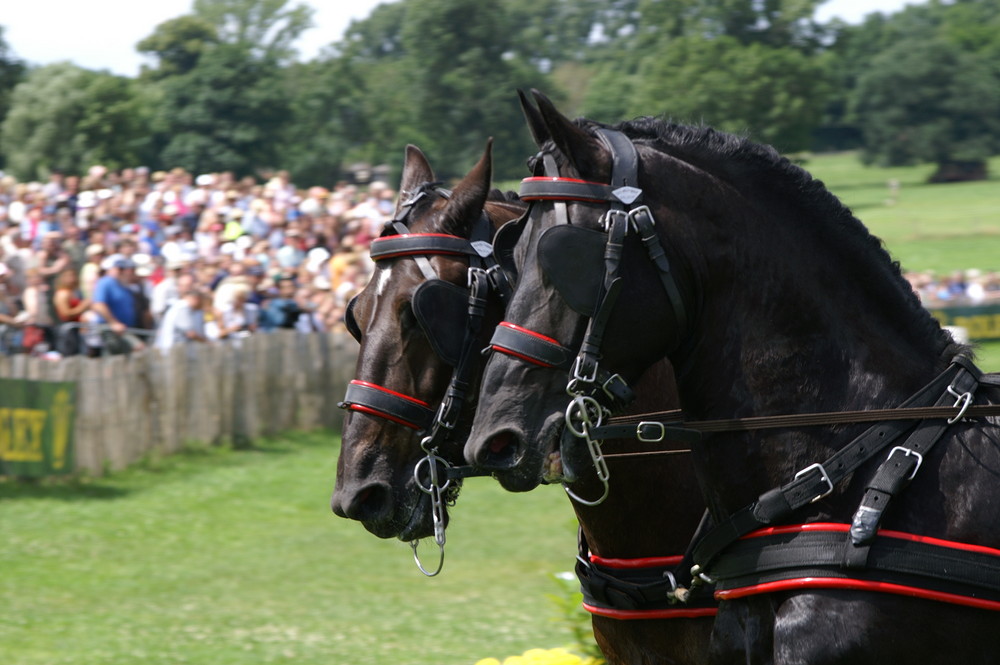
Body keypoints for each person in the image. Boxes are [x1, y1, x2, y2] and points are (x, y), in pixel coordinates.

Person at [90, 255, 144, 354]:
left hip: (125, 329)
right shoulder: (106, 282)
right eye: (123, 269)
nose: (129, 273)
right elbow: (98, 305)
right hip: (111, 329)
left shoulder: (125, 286)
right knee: (137, 348)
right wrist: (113, 323)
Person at [52, 267, 90, 356]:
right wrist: (82, 307)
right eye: (68, 276)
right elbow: (65, 314)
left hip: (76, 330)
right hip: (67, 332)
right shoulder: (62, 293)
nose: (72, 279)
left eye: (73, 275)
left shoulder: (74, 292)